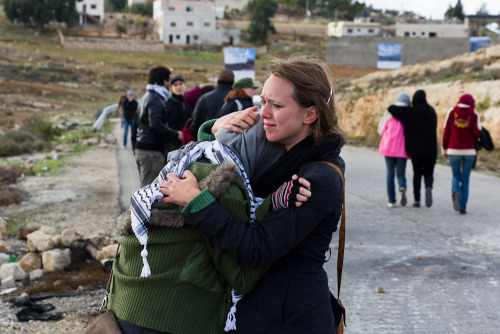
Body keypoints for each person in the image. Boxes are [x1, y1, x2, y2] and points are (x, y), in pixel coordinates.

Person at [159, 54, 346, 333]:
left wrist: (196, 202)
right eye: (263, 101)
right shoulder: (282, 153)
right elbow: (228, 158)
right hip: (263, 312)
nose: (263, 113)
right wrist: (212, 128)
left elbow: (255, 250)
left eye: (277, 105)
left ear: (310, 114)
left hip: (291, 319)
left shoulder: (316, 178)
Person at [108, 115, 312, 334]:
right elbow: (242, 277)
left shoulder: (189, 160)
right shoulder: (227, 186)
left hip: (125, 303)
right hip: (165, 320)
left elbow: (223, 140)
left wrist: (211, 128)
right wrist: (272, 205)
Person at [131, 66, 183, 187]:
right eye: (169, 81)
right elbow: (155, 125)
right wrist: (176, 134)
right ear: (165, 81)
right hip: (151, 151)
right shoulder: (155, 99)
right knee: (151, 191)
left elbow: (137, 125)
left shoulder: (146, 97)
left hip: (144, 149)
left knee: (147, 188)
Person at [389, 89, 437, 208]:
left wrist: (408, 107)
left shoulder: (411, 112)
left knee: (417, 173)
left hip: (416, 150)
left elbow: (391, 108)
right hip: (431, 149)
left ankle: (417, 200)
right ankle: (429, 187)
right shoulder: (432, 111)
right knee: (428, 173)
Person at [442, 93, 482, 214]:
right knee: (465, 179)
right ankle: (463, 207)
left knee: (455, 175)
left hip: (453, 149)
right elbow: (477, 133)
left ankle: (455, 192)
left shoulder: (451, 112)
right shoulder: (474, 114)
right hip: (469, 151)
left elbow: (446, 132)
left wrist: (444, 149)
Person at [378, 93, 410, 208]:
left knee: (390, 173)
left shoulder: (389, 112)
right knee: (401, 173)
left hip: (388, 148)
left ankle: (391, 200)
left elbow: (380, 129)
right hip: (402, 149)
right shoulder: (409, 112)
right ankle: (402, 187)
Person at [188, 69, 234, 140]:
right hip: (229, 143)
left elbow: (195, 122)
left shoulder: (204, 98)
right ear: (233, 82)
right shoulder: (236, 99)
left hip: (207, 142)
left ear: (218, 81)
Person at [165, 74, 193, 151]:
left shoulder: (189, 103)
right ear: (171, 88)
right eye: (175, 85)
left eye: (180, 84)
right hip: (172, 144)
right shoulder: (167, 104)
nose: (178, 87)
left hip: (188, 144)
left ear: (185, 85)